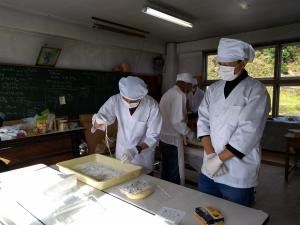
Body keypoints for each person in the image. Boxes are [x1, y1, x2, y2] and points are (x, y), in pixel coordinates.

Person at [197, 38, 270, 207]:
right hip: (208, 169)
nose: (222, 68)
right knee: (205, 211)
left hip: (237, 174)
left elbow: (248, 132)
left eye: (227, 64)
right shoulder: (213, 89)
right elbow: (203, 121)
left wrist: (219, 159)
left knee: (237, 217)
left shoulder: (256, 91)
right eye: (219, 63)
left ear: (242, 63)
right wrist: (210, 156)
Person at [92, 76, 162, 174]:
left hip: (142, 158)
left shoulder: (152, 106)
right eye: (125, 99)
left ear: (142, 97)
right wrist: (98, 121)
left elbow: (153, 136)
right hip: (122, 154)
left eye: (133, 100)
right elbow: (97, 124)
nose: (128, 102)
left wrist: (135, 150)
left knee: (143, 184)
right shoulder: (115, 100)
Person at [159, 72, 196, 185]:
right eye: (190, 86)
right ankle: (175, 196)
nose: (191, 89)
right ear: (185, 84)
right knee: (175, 173)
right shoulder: (179, 95)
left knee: (166, 169)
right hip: (173, 141)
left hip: (163, 138)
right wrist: (190, 134)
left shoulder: (169, 93)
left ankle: (165, 192)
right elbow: (177, 121)